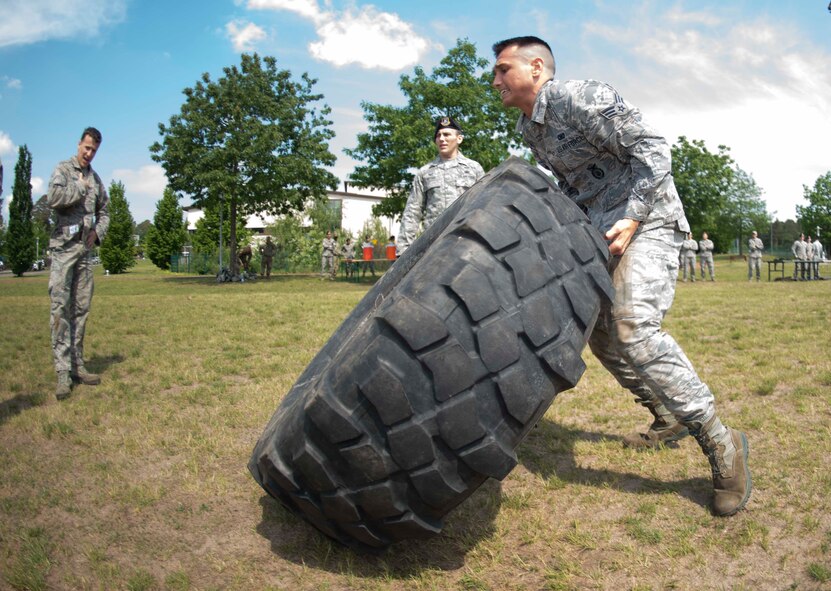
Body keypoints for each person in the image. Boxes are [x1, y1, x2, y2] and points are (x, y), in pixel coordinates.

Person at [491, 36, 750, 516]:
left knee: (632, 324)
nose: (495, 79)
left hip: (647, 216)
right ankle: (665, 413)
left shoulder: (579, 97)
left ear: (535, 66)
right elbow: (570, 186)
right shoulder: (530, 129)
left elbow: (654, 148)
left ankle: (722, 443)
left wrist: (632, 215)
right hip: (602, 231)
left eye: (503, 69)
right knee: (602, 336)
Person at [47, 127, 110, 400]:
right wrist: (78, 188)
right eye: (86, 148)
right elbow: (53, 199)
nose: (89, 153)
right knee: (60, 310)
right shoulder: (63, 170)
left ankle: (77, 365)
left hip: (84, 254)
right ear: (78, 145)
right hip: (63, 253)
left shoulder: (96, 179)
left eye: (94, 150)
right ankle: (62, 372)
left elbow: (105, 211)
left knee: (81, 311)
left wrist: (98, 233)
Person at [397, 116, 484, 255]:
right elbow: (412, 212)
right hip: (433, 247)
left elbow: (483, 206)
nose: (442, 139)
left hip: (466, 244)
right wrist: (403, 250)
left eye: (447, 134)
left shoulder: (474, 169)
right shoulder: (425, 172)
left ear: (459, 138)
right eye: (438, 135)